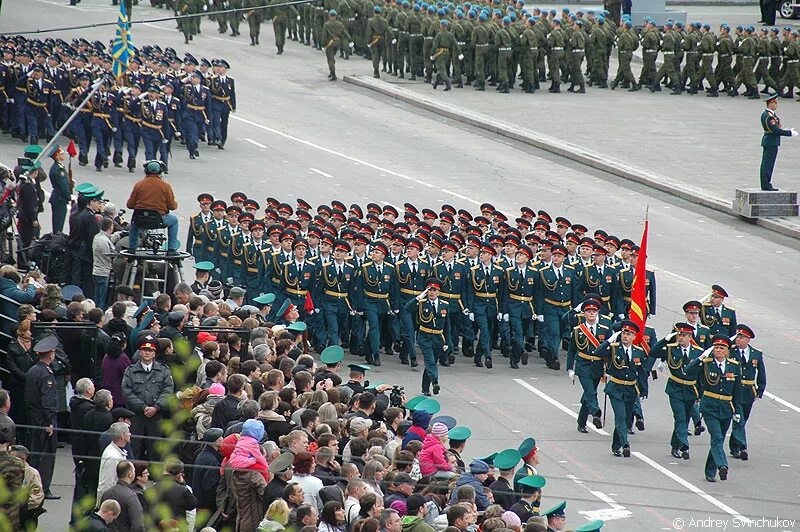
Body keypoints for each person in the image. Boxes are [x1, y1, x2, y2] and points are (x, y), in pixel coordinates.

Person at [686, 335, 743, 482]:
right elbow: (688, 370)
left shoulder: (733, 365)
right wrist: (700, 357)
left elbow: (737, 392)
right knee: (716, 437)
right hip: (709, 407)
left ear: (727, 351)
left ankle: (709, 471)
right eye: (716, 347)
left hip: (726, 408)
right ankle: (722, 466)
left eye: (721, 348)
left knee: (719, 439)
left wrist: (737, 411)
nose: (718, 350)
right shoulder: (706, 363)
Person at [647, 323, 703, 460]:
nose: (681, 337)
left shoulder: (698, 352)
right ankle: (684, 445)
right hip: (675, 388)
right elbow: (652, 352)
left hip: (691, 389)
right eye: (679, 334)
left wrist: (700, 394)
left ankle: (675, 445)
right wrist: (666, 339)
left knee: (685, 418)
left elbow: (702, 375)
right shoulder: (671, 349)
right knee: (679, 417)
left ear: (690, 337)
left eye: (684, 335)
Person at [593, 320, 647, 458]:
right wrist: (609, 341)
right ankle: (625, 445)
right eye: (624, 333)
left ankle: (616, 445)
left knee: (626, 417)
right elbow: (597, 352)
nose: (625, 336)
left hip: (630, 389)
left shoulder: (638, 351)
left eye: (629, 334)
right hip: (616, 388)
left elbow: (642, 372)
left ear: (634, 337)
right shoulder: (614, 347)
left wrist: (643, 390)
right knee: (620, 416)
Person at [121, 333, 175, 461]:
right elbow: (127, 392)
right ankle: (133, 473)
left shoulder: (163, 370)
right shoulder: (130, 371)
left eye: (150, 350)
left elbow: (168, 390)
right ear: (140, 352)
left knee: (156, 448)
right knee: (135, 447)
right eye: (144, 350)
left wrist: (156, 407)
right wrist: (143, 407)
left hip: (156, 415)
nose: (147, 353)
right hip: (137, 415)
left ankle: (155, 476)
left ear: (154, 353)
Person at [24, 335, 60, 500]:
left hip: (34, 417)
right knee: (47, 455)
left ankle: (33, 486)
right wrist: (50, 421)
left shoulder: (33, 370)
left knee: (36, 452)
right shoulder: (45, 374)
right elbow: (47, 400)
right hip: (44, 419)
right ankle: (43, 487)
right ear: (51, 354)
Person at [405, 278, 450, 396]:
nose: (432, 292)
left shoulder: (444, 305)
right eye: (429, 290)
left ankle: (425, 388)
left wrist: (447, 342)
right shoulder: (421, 303)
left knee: (432, 363)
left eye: (434, 290)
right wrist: (419, 296)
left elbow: (447, 326)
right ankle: (435, 382)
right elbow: (407, 308)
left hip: (438, 337)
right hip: (425, 336)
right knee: (430, 361)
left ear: (439, 292)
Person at [728, 324, 766, 461]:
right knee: (739, 419)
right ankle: (742, 447)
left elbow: (761, 373)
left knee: (743, 420)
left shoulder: (756, 353)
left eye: (742, 337)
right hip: (734, 390)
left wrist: (760, 390)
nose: (738, 339)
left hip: (749, 392)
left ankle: (734, 446)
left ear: (748, 339)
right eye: (738, 336)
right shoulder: (730, 351)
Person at [125, 160, 180, 252]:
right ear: (160, 171)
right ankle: (171, 248)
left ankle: (132, 247)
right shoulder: (165, 186)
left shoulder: (139, 185)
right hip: (158, 220)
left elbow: (130, 205)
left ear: (146, 171)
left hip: (140, 220)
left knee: (134, 222)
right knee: (174, 221)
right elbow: (172, 206)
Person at [759, 92, 797, 191]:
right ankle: (766, 185)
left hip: (771, 141)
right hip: (771, 142)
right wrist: (789, 133)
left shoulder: (770, 115)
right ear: (771, 103)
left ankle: (766, 183)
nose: (777, 105)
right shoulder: (769, 116)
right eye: (775, 103)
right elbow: (774, 130)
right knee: (768, 164)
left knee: (767, 164)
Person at [99, 460, 146, 532]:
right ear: (130, 474)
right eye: (133, 470)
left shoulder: (107, 493)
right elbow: (137, 525)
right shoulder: (131, 496)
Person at [96, 422, 131, 503]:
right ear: (122, 436)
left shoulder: (117, 451)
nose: (130, 434)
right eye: (128, 432)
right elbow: (106, 484)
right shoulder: (113, 457)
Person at [92, 217, 121, 309]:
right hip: (104, 272)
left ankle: (95, 314)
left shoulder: (97, 237)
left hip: (95, 270)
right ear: (110, 227)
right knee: (102, 299)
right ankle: (100, 315)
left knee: (96, 297)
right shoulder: (105, 241)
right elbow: (112, 253)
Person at [47, 143, 72, 233]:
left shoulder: (58, 167)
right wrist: (69, 197)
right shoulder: (59, 169)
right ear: (57, 156)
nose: (63, 155)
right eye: (61, 153)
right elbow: (63, 186)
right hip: (60, 198)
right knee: (58, 224)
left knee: (58, 222)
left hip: (58, 197)